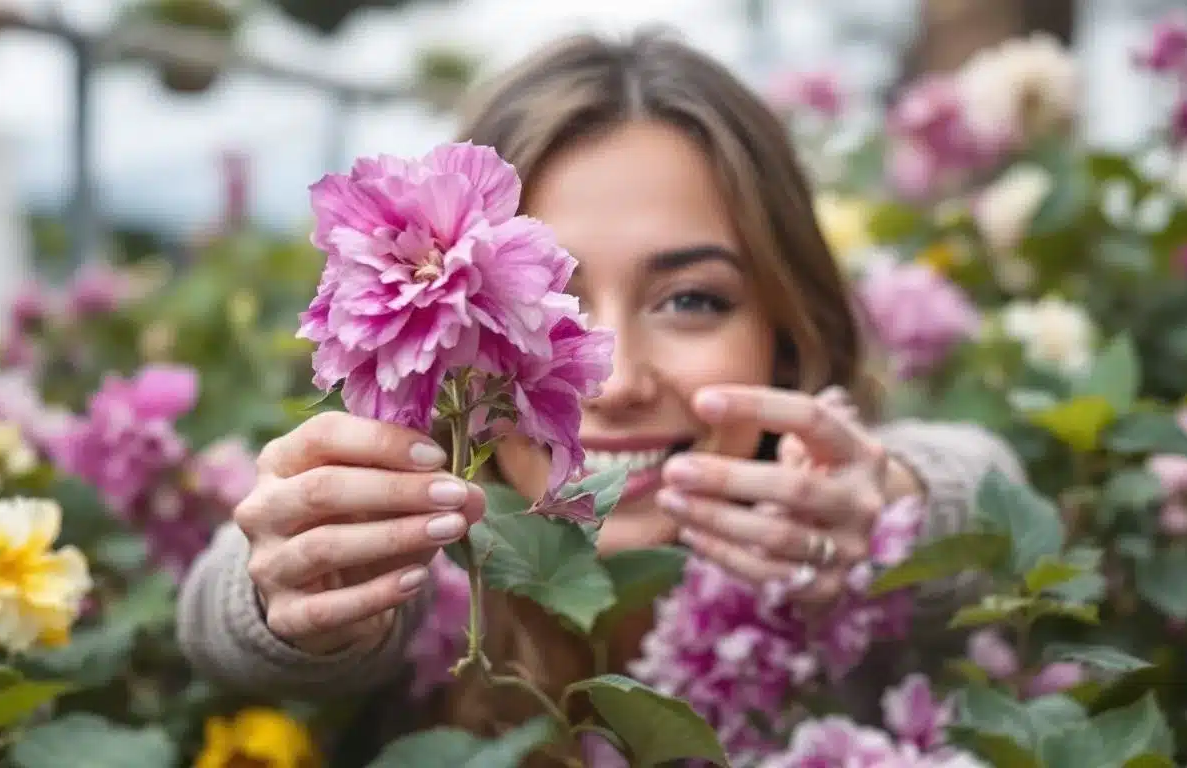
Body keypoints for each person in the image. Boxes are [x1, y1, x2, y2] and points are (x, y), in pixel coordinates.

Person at [177, 30, 1024, 766]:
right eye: (545, 306)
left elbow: (992, 493)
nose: (614, 383)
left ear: (787, 330)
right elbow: (223, 608)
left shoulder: (852, 613)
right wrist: (290, 598)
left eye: (692, 299)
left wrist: (895, 509)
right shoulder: (428, 584)